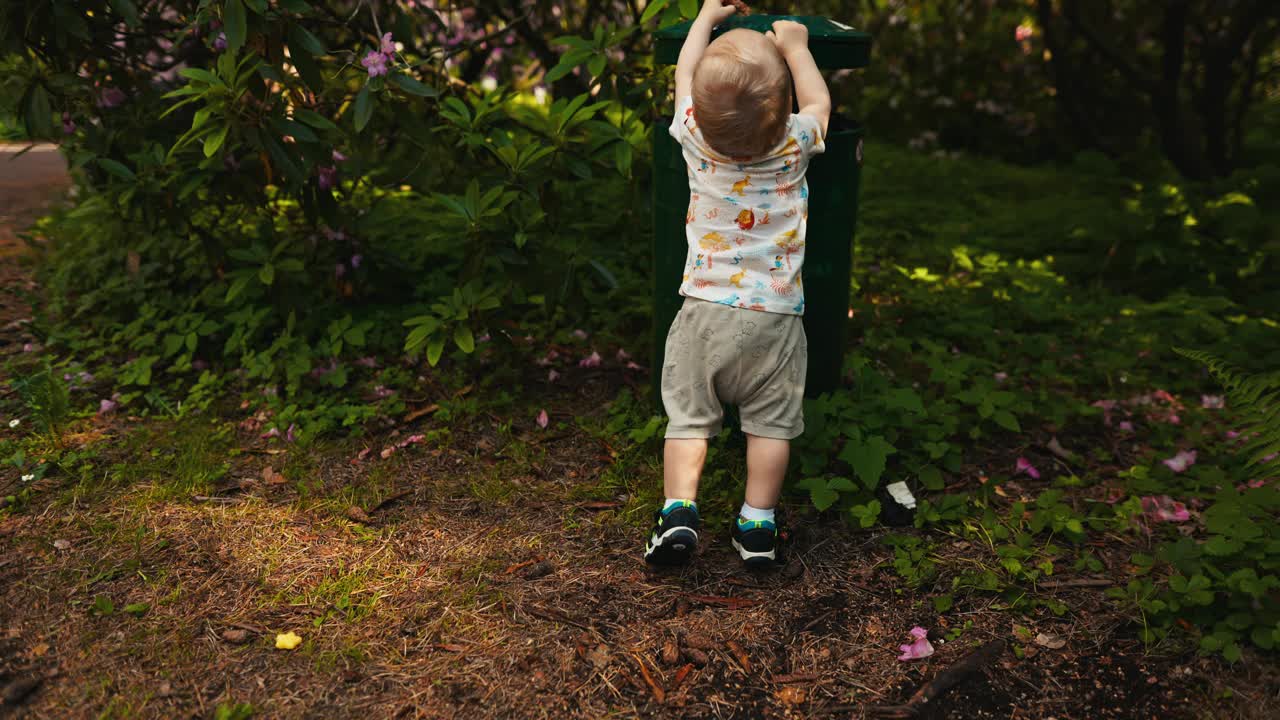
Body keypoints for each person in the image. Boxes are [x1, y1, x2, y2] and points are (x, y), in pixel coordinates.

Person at [645, 0, 830, 569]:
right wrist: (796, 48)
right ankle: (758, 523)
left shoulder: (695, 137)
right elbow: (821, 103)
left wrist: (705, 19)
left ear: (699, 107)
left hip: (702, 310)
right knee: (771, 427)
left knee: (689, 418)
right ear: (783, 108)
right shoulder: (796, 144)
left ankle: (679, 510)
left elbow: (683, 74)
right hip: (774, 318)